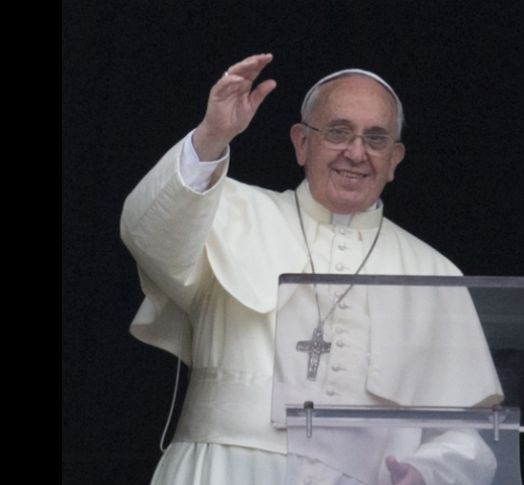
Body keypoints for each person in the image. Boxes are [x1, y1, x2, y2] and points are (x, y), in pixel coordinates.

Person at [121, 53, 503, 485]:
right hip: (222, 472)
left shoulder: (435, 274)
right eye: (338, 132)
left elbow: (470, 436)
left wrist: (425, 473)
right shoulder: (227, 210)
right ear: (302, 143)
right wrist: (211, 137)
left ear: (395, 159)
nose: (356, 153)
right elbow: (146, 233)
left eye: (376, 140)